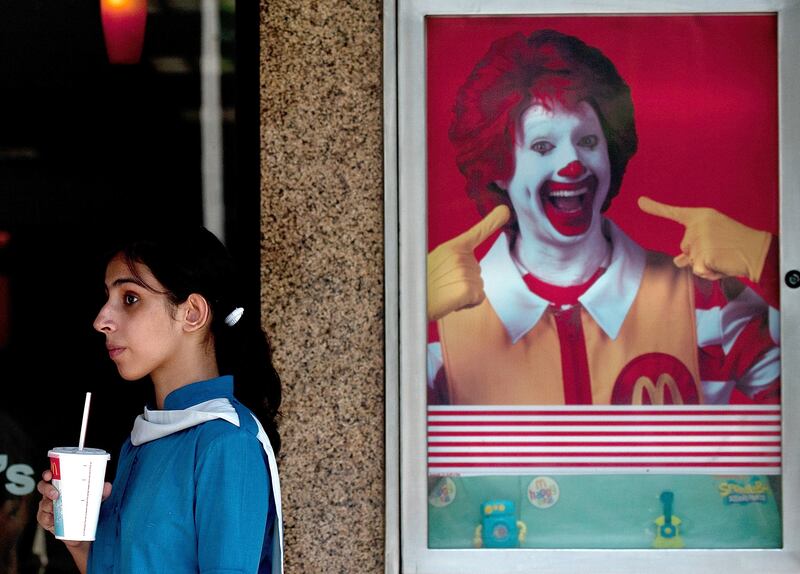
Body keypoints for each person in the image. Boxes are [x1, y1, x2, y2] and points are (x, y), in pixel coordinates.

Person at [427, 29, 779, 406]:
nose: (572, 163)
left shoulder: (706, 299)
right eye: (543, 146)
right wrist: (410, 316)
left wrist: (773, 263)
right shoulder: (441, 320)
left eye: (588, 141)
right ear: (498, 166)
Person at [35, 226, 283, 573]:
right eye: (107, 297)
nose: (101, 320)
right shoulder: (142, 440)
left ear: (192, 313)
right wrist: (79, 544)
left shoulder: (227, 442)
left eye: (130, 299)